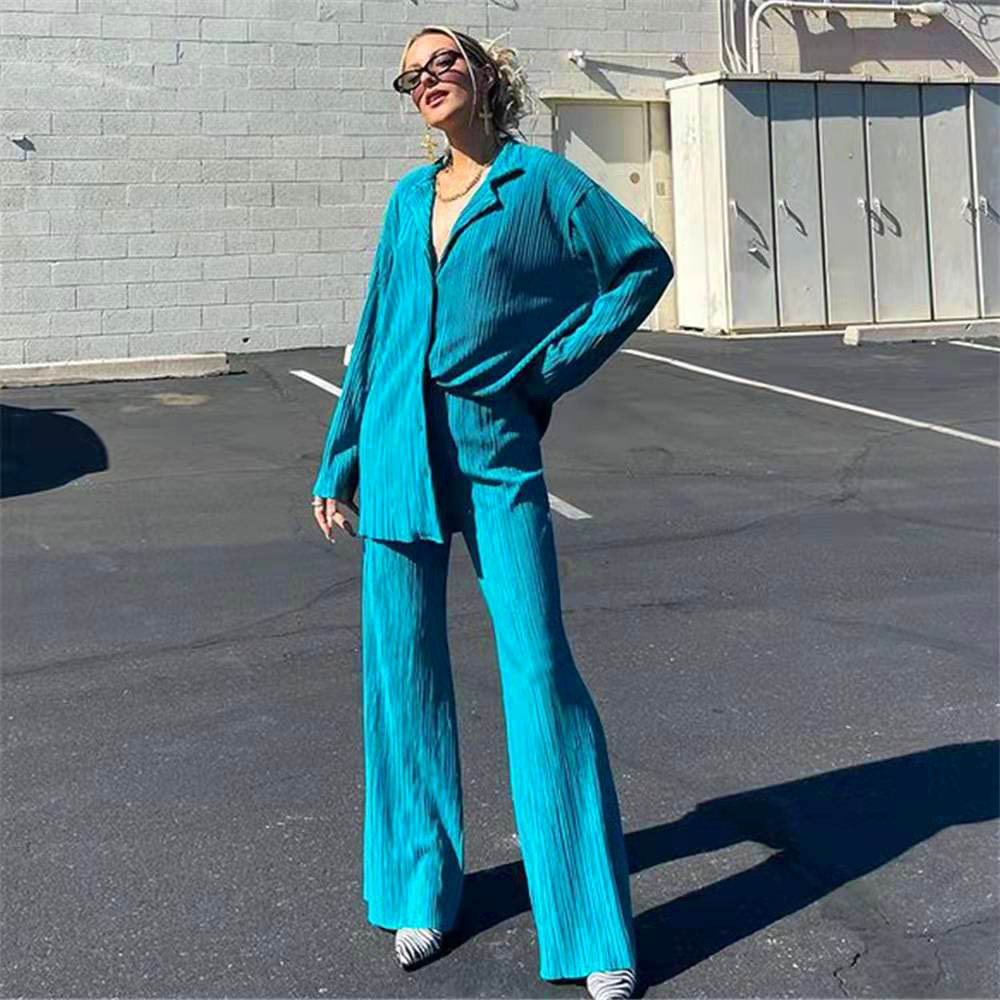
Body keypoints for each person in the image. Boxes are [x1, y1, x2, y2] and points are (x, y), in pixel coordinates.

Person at [310, 24, 674, 1000]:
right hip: (395, 450)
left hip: (494, 451)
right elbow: (376, 330)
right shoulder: (407, 199)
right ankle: (420, 890)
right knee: (402, 675)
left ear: (482, 74)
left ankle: (590, 924)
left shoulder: (538, 182)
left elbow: (639, 266)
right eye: (412, 73)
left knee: (539, 667)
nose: (428, 78)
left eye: (443, 62)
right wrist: (338, 459)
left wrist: (545, 368)